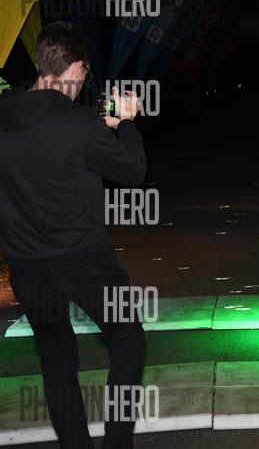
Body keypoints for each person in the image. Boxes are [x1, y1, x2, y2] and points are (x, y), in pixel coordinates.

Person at [0, 22, 146, 448]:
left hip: (26, 265)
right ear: (77, 67)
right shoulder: (79, 123)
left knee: (57, 357)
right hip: (85, 260)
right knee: (127, 338)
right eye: (85, 73)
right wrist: (127, 124)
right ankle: (116, 443)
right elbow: (132, 171)